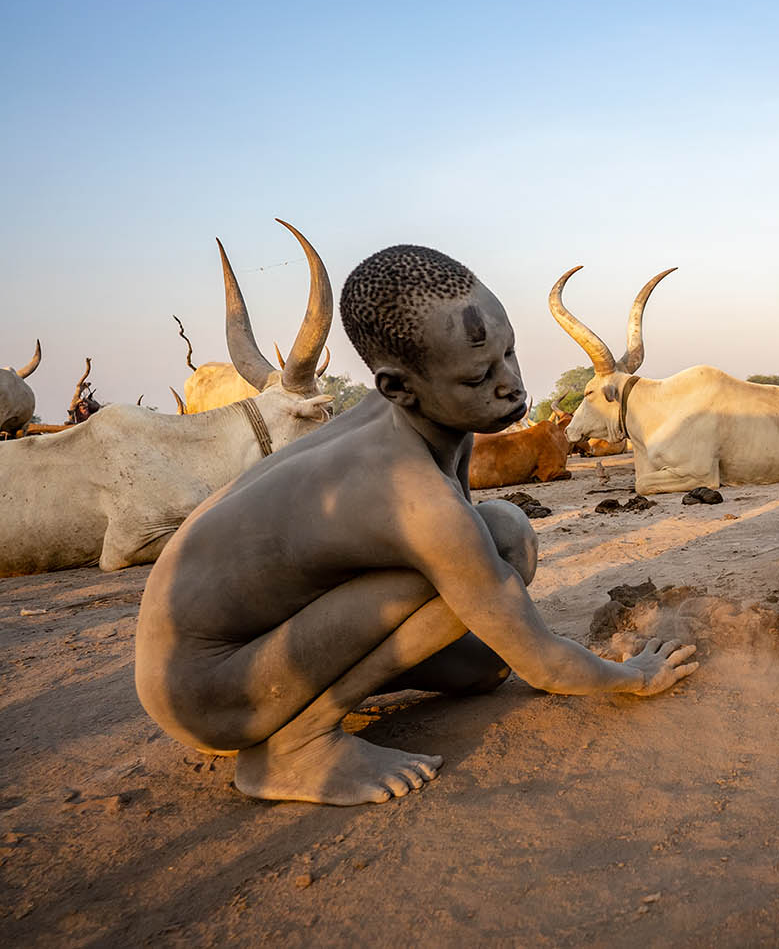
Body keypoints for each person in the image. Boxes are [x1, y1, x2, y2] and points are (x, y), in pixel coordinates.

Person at [135, 245, 697, 805]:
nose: (511, 386)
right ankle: (295, 747)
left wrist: (514, 639)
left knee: (486, 637)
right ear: (400, 387)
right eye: (479, 375)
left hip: (256, 643)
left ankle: (317, 709)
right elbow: (542, 664)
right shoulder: (409, 491)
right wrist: (635, 678)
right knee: (487, 543)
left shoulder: (432, 413)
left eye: (511, 353)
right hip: (210, 690)